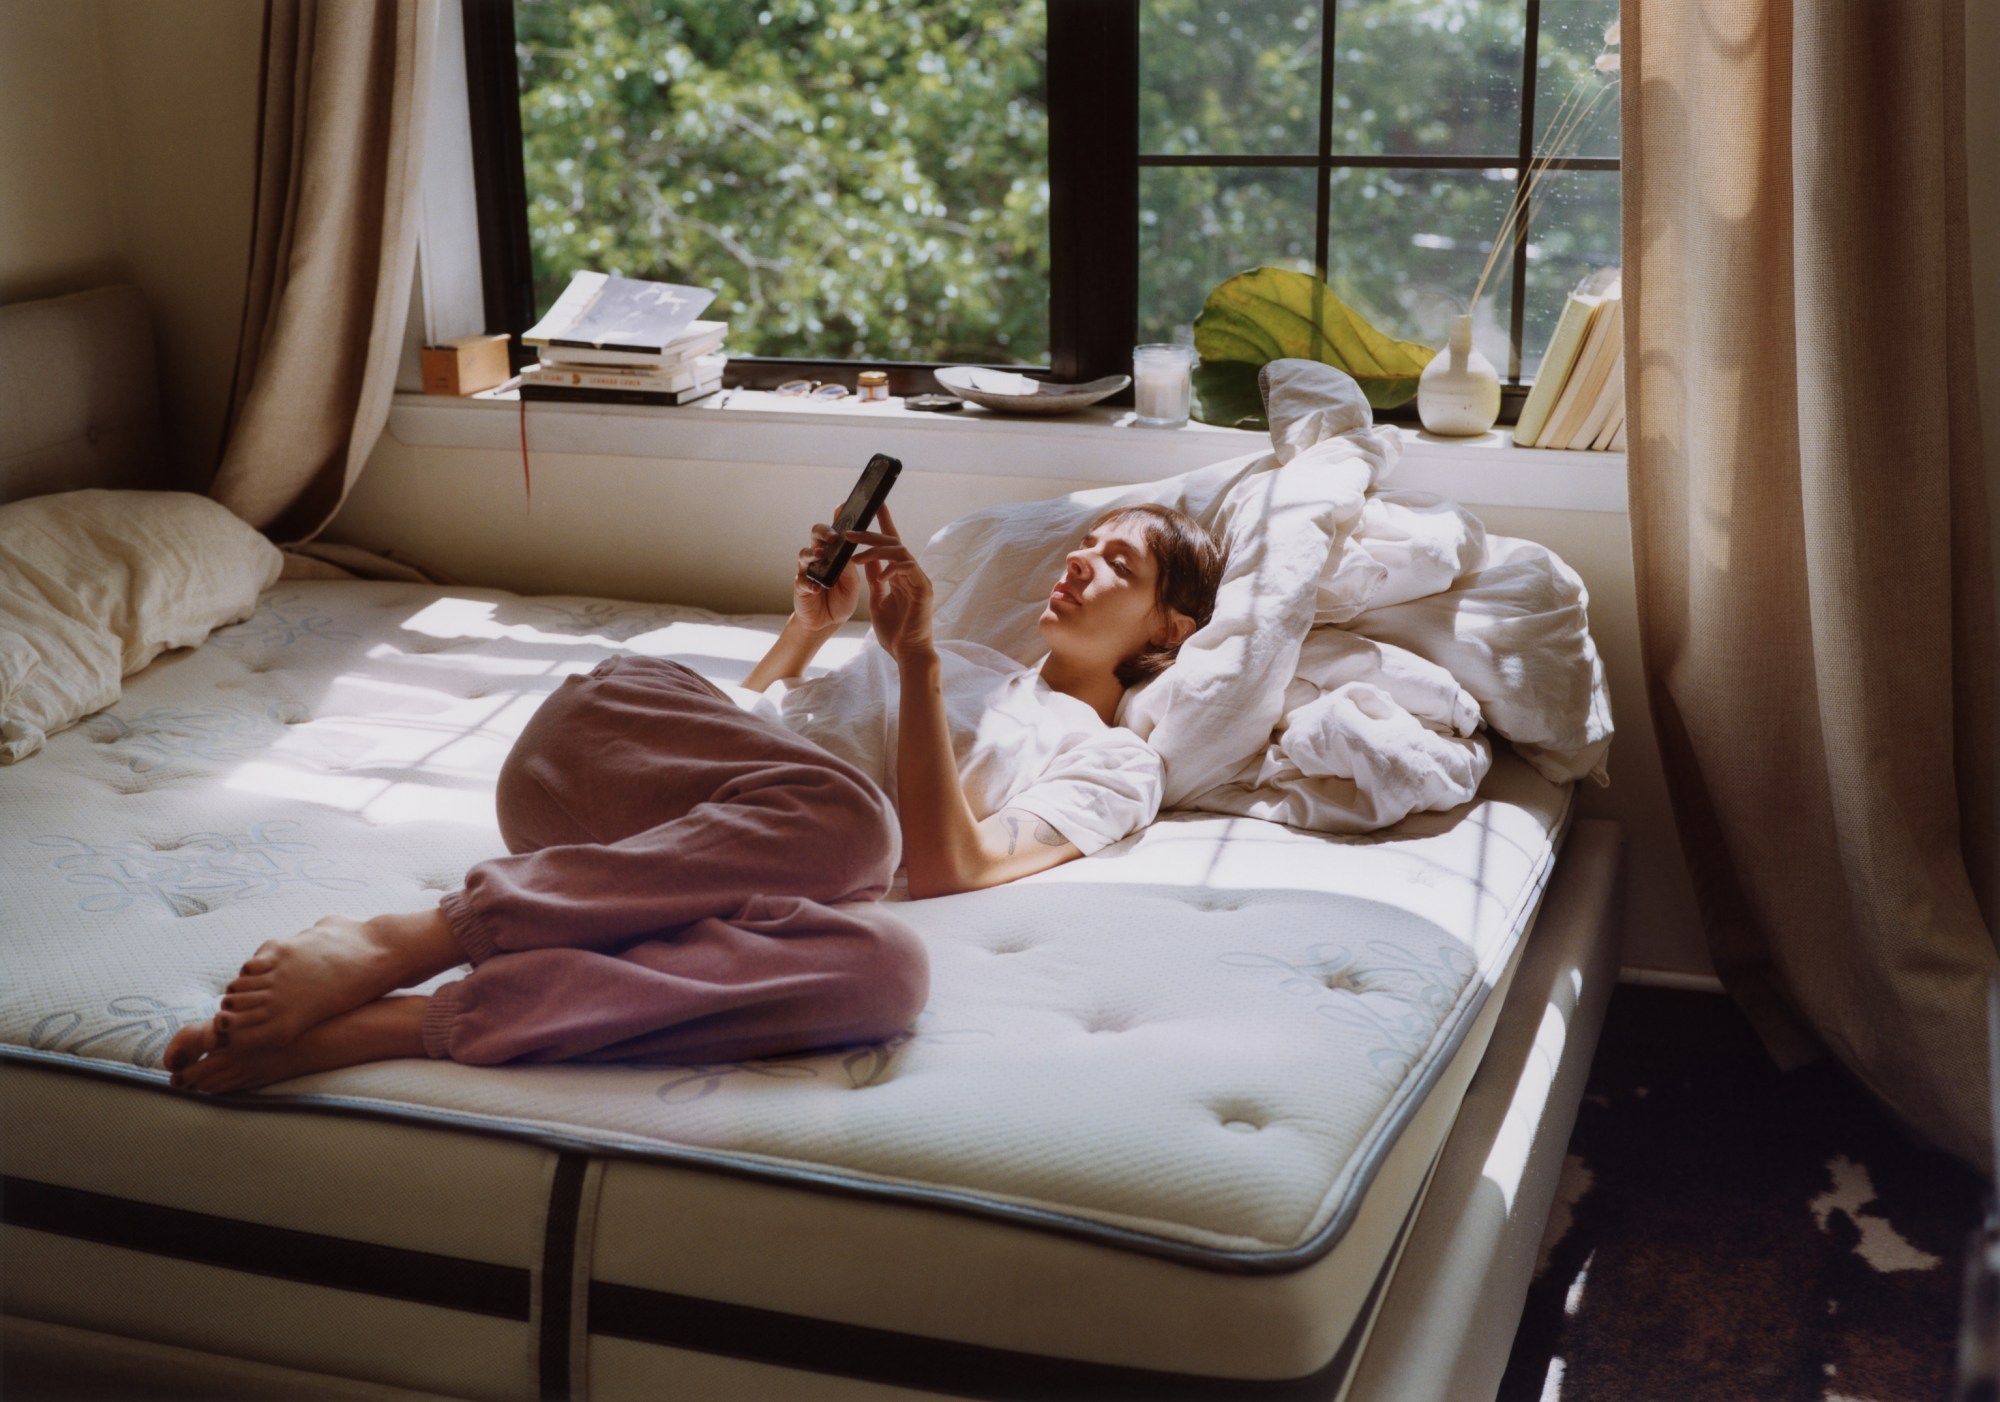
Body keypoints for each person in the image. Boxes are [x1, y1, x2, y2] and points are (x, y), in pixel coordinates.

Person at [162, 501, 1224, 1094]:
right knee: (850, 821)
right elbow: (733, 723)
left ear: (1168, 628)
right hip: (604, 755)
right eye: (1080, 547)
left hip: (689, 875)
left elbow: (953, 869)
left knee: (885, 967)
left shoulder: (1114, 761)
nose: (1077, 566)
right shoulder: (968, 657)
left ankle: (403, 1022)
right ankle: (419, 931)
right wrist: (813, 627)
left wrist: (918, 665)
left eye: (1115, 563)